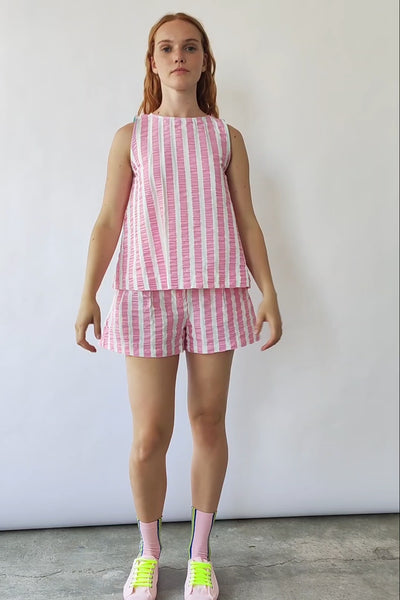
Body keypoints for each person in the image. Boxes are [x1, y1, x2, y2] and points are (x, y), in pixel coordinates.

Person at [75, 11, 282, 600]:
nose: (178, 57)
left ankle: (200, 555)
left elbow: (247, 219)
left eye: (190, 47)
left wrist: (268, 291)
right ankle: (148, 553)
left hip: (217, 292)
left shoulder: (226, 138)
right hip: (145, 294)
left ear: (204, 60)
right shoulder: (131, 137)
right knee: (149, 435)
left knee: (208, 422)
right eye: (166, 48)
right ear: (153, 61)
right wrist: (88, 294)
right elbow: (109, 221)